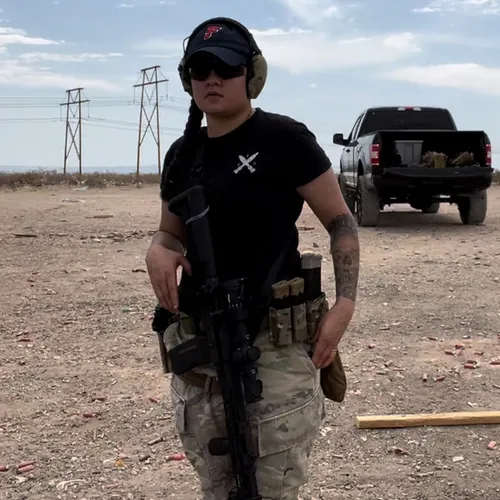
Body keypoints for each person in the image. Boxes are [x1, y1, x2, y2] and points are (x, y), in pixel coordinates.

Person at [145, 16, 360, 500]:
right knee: (218, 487)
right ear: (187, 80)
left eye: (226, 68)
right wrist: (158, 249)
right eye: (200, 70)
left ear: (252, 75)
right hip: (203, 351)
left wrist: (344, 304)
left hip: (272, 349)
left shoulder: (285, 140)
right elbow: (169, 232)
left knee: (273, 489)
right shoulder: (183, 154)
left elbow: (341, 224)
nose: (212, 79)